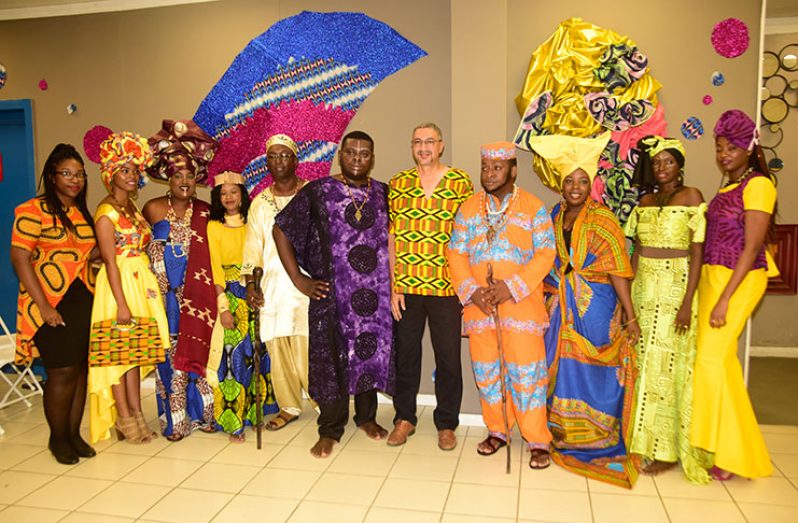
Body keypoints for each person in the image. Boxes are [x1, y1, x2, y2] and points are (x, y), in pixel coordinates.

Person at [528, 133, 641, 488]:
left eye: (582, 181)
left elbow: (619, 270)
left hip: (597, 306)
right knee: (560, 368)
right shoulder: (554, 214)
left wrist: (630, 314)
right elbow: (544, 262)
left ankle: (598, 437)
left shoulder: (603, 218)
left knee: (595, 367)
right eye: (569, 181)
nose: (576, 187)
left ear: (590, 184)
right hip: (560, 305)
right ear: (560, 185)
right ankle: (562, 433)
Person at [274, 130, 393, 458]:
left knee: (368, 353)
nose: (357, 157)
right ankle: (330, 427)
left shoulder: (383, 193)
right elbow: (281, 228)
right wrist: (299, 280)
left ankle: (366, 418)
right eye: (351, 152)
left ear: (372, 157)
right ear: (341, 154)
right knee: (331, 360)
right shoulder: (319, 191)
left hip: (374, 298)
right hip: (332, 296)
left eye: (364, 153)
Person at [448, 142, 555, 469]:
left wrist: (512, 287)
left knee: (527, 374)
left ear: (512, 169)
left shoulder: (534, 208)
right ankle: (498, 430)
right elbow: (455, 253)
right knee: (487, 372)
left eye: (496, 168)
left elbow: (545, 254)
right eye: (485, 167)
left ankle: (537, 439)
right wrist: (471, 291)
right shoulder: (468, 208)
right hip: (480, 307)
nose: (489, 174)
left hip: (520, 306)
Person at [690, 109, 777, 481]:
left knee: (710, 362)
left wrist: (726, 297)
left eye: (732, 148)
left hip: (738, 281)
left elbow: (751, 247)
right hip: (714, 277)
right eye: (719, 148)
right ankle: (733, 452)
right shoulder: (728, 185)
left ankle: (723, 449)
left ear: (749, 148)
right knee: (721, 364)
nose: (724, 154)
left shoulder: (758, 184)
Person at [626, 136, 711, 483]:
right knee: (644, 363)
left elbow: (698, 253)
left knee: (668, 370)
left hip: (676, 290)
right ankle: (639, 441)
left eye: (669, 162)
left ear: (680, 166)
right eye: (657, 162)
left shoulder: (693, 198)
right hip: (645, 288)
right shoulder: (645, 201)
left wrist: (688, 300)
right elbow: (637, 250)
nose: (662, 168)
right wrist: (627, 300)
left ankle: (666, 450)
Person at [388, 122, 474, 451]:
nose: (423, 147)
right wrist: (394, 285)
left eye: (429, 142)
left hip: (446, 286)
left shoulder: (459, 181)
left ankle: (447, 423)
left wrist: (467, 286)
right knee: (406, 356)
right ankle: (405, 418)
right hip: (407, 285)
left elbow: (467, 237)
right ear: (412, 147)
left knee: (449, 358)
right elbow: (392, 237)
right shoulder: (399, 183)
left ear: (441, 146)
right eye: (417, 142)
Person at [11, 144, 97, 463]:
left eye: (79, 174)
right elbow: (19, 258)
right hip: (50, 303)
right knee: (60, 372)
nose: (74, 180)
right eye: (67, 174)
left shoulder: (79, 212)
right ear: (52, 175)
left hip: (81, 301)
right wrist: (45, 306)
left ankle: (74, 435)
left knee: (79, 371)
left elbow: (83, 255)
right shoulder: (32, 209)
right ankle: (57, 439)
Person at [88, 132, 170, 444]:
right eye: (125, 170)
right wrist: (121, 304)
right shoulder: (106, 213)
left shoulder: (131, 209)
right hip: (117, 285)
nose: (132, 175)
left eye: (135, 170)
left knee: (133, 352)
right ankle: (123, 417)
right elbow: (109, 262)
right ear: (110, 175)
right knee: (117, 355)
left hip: (139, 282)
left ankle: (136, 412)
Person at [143, 120, 218, 441]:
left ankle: (204, 416)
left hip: (199, 300)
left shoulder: (206, 210)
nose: (184, 181)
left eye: (190, 175)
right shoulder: (153, 208)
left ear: (197, 179)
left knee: (199, 356)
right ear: (168, 179)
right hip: (165, 300)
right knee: (169, 360)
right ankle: (176, 421)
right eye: (178, 176)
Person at [242, 134, 312, 432]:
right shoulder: (260, 203)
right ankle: (289, 406)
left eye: (285, 155)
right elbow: (252, 247)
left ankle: (325, 402)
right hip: (272, 286)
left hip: (307, 286)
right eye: (274, 156)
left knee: (311, 347)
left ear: (295, 160)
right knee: (278, 347)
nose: (279, 161)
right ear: (267, 162)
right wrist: (251, 284)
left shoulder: (312, 194)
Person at [207, 171, 278, 442]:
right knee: (233, 357)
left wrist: (257, 289)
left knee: (257, 354)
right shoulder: (213, 227)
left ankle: (256, 413)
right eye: (223, 193)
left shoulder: (253, 221)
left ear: (242, 194)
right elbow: (214, 269)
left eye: (233, 192)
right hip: (230, 294)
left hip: (253, 290)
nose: (229, 197)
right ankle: (232, 419)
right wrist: (223, 307)